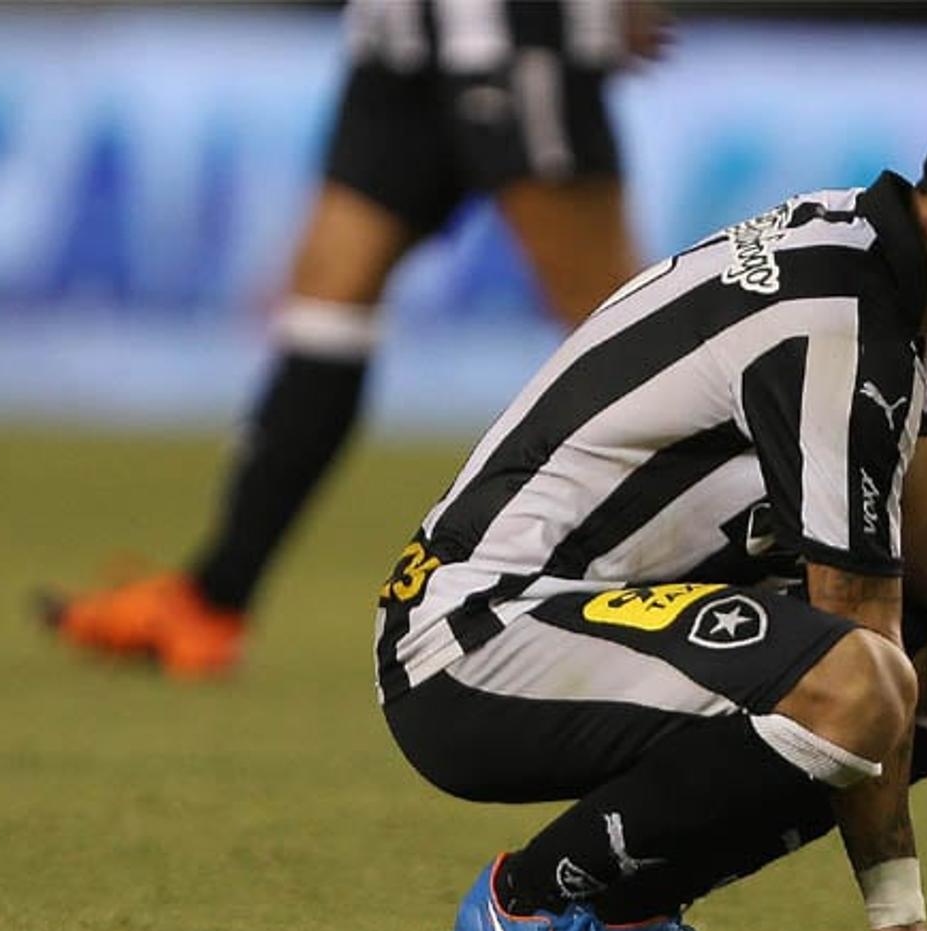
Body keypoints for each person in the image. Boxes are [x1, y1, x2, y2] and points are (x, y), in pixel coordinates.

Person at [379, 44, 927, 931]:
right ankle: (535, 900)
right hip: (475, 643)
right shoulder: (840, 320)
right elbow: (860, 647)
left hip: (573, 615)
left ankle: (626, 907)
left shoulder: (883, 271)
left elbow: (922, 521)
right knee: (863, 681)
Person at [40, 0, 668, 677]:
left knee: (617, 320)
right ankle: (213, 599)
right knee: (327, 297)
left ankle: (748, 588)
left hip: (512, 27)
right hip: (401, 32)